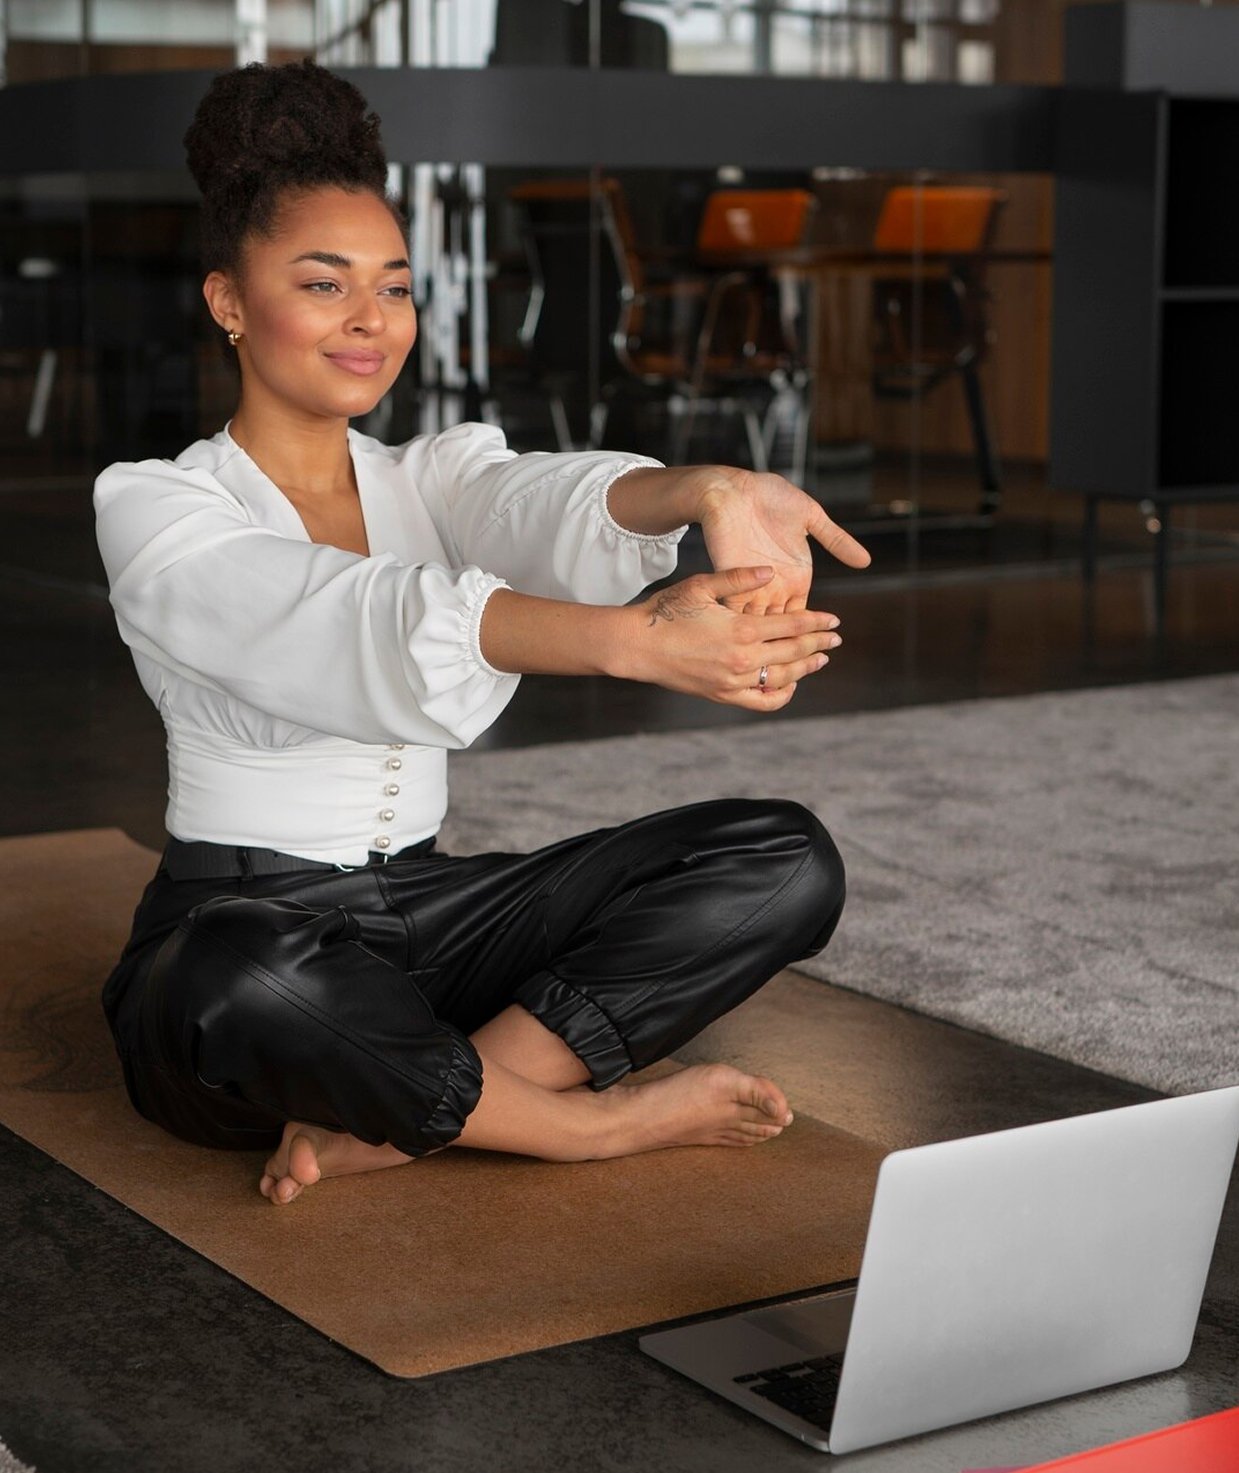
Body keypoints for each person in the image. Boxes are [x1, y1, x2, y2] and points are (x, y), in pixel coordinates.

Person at [94, 60, 871, 1207]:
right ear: (227, 301)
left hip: (427, 917)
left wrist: (705, 489)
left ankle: (411, 1115)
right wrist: (636, 640)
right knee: (237, 976)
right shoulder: (158, 506)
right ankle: (580, 1127)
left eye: (395, 288)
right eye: (323, 284)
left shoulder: (430, 475)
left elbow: (538, 504)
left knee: (782, 859)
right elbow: (345, 618)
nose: (370, 321)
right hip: (242, 927)